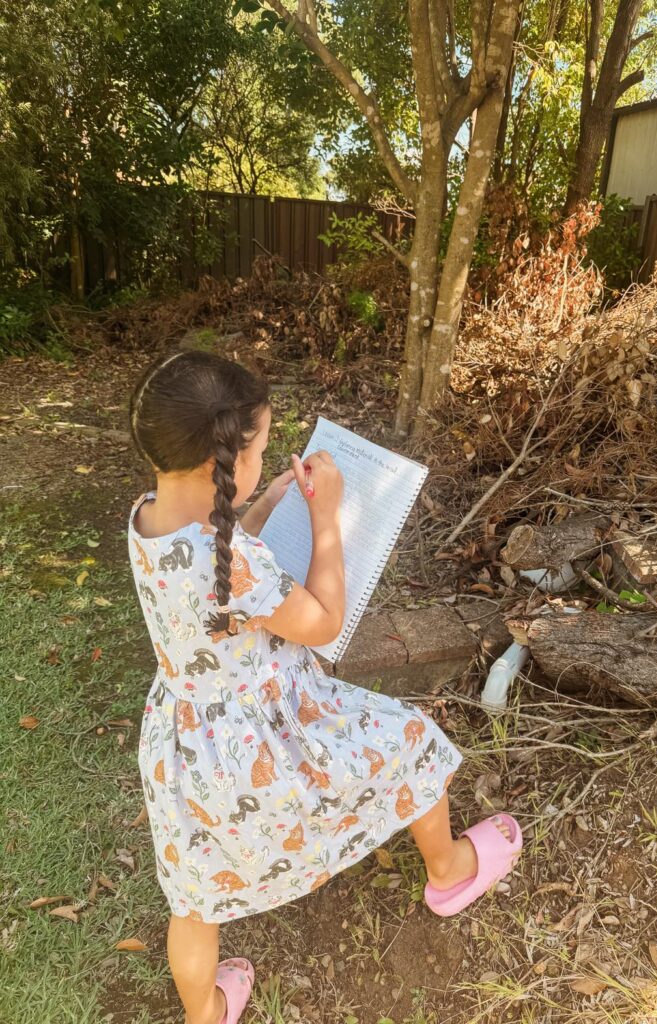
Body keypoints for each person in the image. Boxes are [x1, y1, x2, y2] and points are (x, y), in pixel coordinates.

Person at [127, 349, 523, 1024]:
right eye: (259, 451)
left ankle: (205, 1014)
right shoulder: (234, 570)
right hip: (268, 728)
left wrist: (260, 509)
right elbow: (324, 620)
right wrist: (324, 516)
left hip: (186, 746)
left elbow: (218, 558)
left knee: (192, 902)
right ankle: (450, 870)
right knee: (411, 743)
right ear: (221, 465)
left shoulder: (148, 516)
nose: (265, 461)